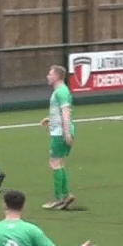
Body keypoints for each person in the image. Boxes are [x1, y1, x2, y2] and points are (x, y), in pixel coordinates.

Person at [41, 64, 76, 210]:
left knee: (54, 163)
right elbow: (60, 112)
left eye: (50, 74)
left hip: (59, 132)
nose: (48, 76)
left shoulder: (60, 91)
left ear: (56, 76)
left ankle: (60, 198)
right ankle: (65, 195)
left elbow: (66, 112)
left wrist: (66, 132)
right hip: (60, 130)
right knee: (58, 163)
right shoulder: (61, 91)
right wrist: (50, 119)